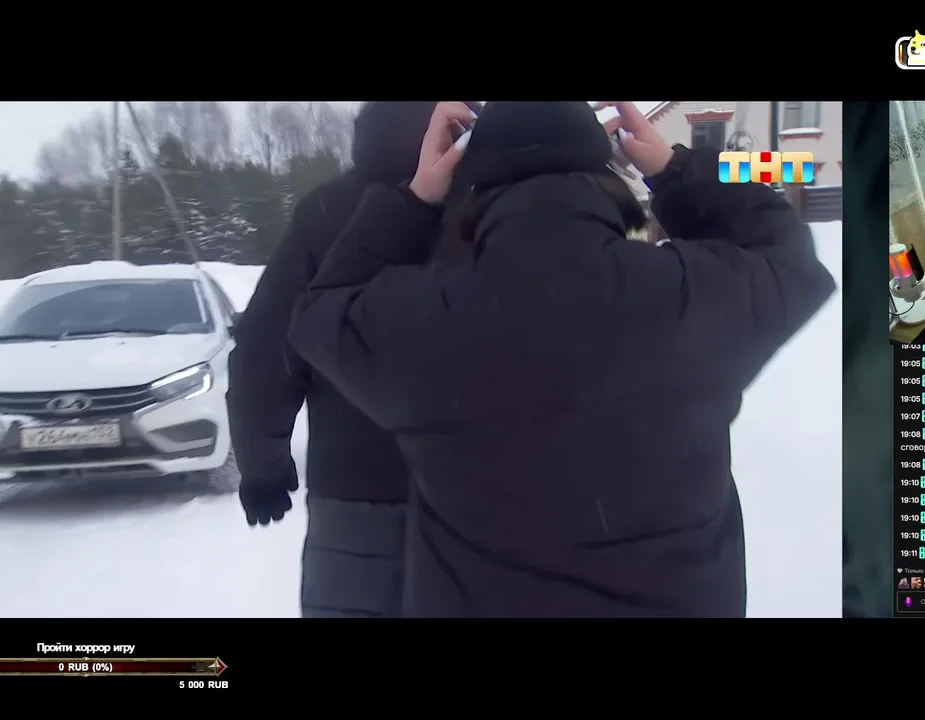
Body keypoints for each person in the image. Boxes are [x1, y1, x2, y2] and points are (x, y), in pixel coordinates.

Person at [288, 101, 837, 617]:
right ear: (605, 175)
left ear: (472, 188)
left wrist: (413, 200)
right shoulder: (688, 295)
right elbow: (785, 253)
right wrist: (677, 168)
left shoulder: (427, 322)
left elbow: (320, 312)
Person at [227, 101, 479, 618]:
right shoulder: (499, 208)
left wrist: (262, 467)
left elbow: (265, 348)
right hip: (484, 505)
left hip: (355, 501)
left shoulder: (327, 212)